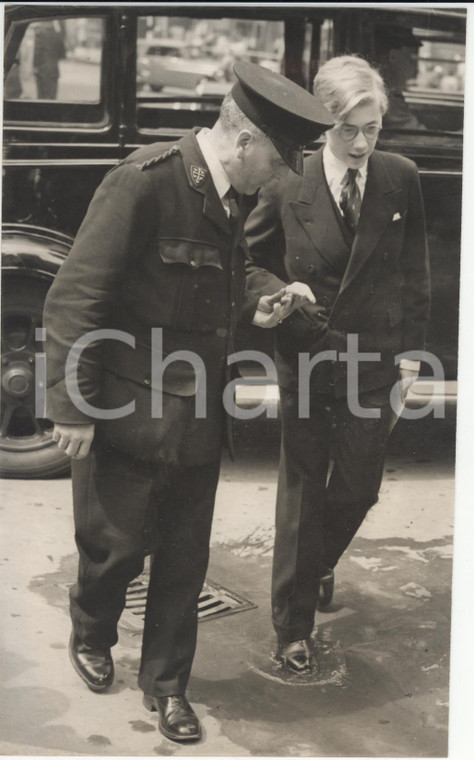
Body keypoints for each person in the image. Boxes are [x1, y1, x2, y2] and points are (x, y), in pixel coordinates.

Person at [43, 62, 333, 742]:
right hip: (127, 413)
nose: (281, 174)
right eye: (277, 158)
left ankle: (167, 686)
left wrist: (261, 298)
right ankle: (92, 629)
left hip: (201, 416)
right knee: (112, 552)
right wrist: (69, 407)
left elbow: (221, 278)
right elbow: (75, 299)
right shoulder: (143, 183)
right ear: (243, 138)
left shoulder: (234, 196)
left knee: (183, 561)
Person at [245, 55, 430, 674]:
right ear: (324, 123)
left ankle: (314, 566)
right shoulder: (284, 182)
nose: (360, 143)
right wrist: (280, 297)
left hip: (376, 362)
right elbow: (249, 263)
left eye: (372, 129)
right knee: (301, 497)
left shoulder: (400, 176)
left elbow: (413, 274)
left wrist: (411, 359)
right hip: (308, 357)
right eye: (347, 128)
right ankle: (293, 627)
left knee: (358, 487)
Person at [372, 23, 426, 130]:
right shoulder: (388, 98)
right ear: (393, 57)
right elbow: (416, 135)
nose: (415, 68)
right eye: (411, 59)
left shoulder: (387, 92)